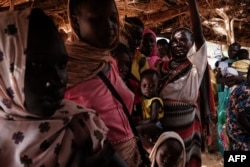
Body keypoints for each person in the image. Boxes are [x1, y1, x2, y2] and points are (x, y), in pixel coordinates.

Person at [0, 8, 127, 167]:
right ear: (4, 69)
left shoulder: (80, 125)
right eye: (38, 65)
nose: (57, 80)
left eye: (62, 65)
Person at [64, 0, 141, 166]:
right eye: (96, 20)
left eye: (113, 18)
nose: (109, 26)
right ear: (76, 21)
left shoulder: (108, 62)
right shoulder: (65, 71)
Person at [158, 0, 206, 166]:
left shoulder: (195, 66)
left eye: (183, 40)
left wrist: (191, 3)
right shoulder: (161, 67)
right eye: (175, 41)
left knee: (184, 159)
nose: (178, 44)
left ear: (192, 44)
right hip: (163, 127)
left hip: (186, 125)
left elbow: (199, 36)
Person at [226, 66, 250, 151]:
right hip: (242, 138)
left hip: (234, 133)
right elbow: (241, 118)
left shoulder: (241, 87)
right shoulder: (247, 92)